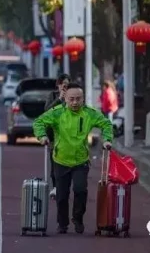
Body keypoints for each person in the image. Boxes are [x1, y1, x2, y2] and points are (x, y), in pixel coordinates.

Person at [33, 82, 113, 235]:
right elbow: (39, 122)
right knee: (62, 196)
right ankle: (62, 224)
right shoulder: (57, 112)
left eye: (78, 99)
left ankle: (78, 218)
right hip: (60, 160)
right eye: (71, 99)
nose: (75, 102)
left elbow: (106, 124)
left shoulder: (89, 113)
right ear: (66, 99)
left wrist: (108, 139)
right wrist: (42, 136)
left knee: (80, 190)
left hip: (81, 161)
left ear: (83, 99)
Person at [43, 73, 70, 199]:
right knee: (54, 163)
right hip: (54, 135)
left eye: (67, 85)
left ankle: (64, 187)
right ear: (58, 85)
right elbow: (47, 110)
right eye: (63, 85)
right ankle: (56, 187)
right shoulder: (52, 96)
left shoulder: (73, 97)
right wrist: (59, 99)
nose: (65, 87)